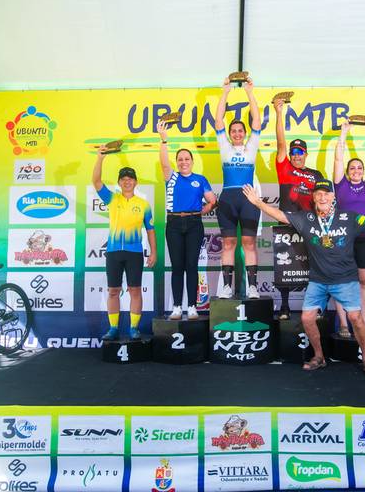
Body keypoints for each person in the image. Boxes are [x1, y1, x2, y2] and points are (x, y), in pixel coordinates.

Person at [242, 180, 365, 376]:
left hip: (345, 280)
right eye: (318, 193)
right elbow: (281, 215)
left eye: (326, 193)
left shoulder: (348, 217)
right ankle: (319, 357)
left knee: (355, 318)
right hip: (318, 281)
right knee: (307, 318)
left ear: (333, 197)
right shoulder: (306, 218)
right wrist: (258, 203)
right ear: (313, 197)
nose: (322, 197)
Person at [91, 147, 156, 340]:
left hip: (134, 252)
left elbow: (150, 230)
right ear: (119, 182)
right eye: (123, 179)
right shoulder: (112, 198)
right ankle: (113, 328)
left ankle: (134, 328)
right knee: (113, 291)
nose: (127, 181)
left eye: (130, 179)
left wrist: (154, 252)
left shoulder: (143, 204)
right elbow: (96, 181)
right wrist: (100, 158)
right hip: (113, 252)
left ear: (136, 182)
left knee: (135, 290)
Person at [157, 120, 217, 320]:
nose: (183, 162)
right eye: (180, 159)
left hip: (194, 225)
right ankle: (176, 307)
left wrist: (203, 210)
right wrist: (163, 140)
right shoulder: (171, 177)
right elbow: (164, 163)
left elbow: (212, 200)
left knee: (192, 266)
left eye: (187, 159)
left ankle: (192, 307)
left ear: (192, 161)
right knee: (177, 266)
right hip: (173, 224)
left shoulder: (200, 179)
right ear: (177, 162)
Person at [273, 97, 324, 319]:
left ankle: (315, 306)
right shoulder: (284, 168)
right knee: (284, 264)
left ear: (306, 154)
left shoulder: (316, 174)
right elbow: (281, 144)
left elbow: (325, 199)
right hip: (286, 221)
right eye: (293, 152)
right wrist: (279, 113)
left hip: (310, 224)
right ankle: (284, 306)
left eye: (300, 152)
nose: (296, 155)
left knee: (315, 266)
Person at [333, 119, 365, 337]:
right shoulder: (340, 185)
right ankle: (344, 325)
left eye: (359, 167)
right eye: (352, 167)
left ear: (364, 170)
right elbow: (338, 157)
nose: (356, 170)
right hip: (344, 240)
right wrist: (343, 132)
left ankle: (363, 326)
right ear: (347, 170)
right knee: (341, 282)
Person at [214, 76, 262, 299]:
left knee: (249, 243)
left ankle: (253, 287)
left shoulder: (252, 146)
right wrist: (225, 92)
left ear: (244, 133)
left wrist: (250, 92)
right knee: (229, 244)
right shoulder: (224, 146)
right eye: (233, 131)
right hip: (228, 199)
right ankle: (226, 287)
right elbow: (218, 121)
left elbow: (257, 121)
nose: (236, 133)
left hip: (248, 199)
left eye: (240, 130)